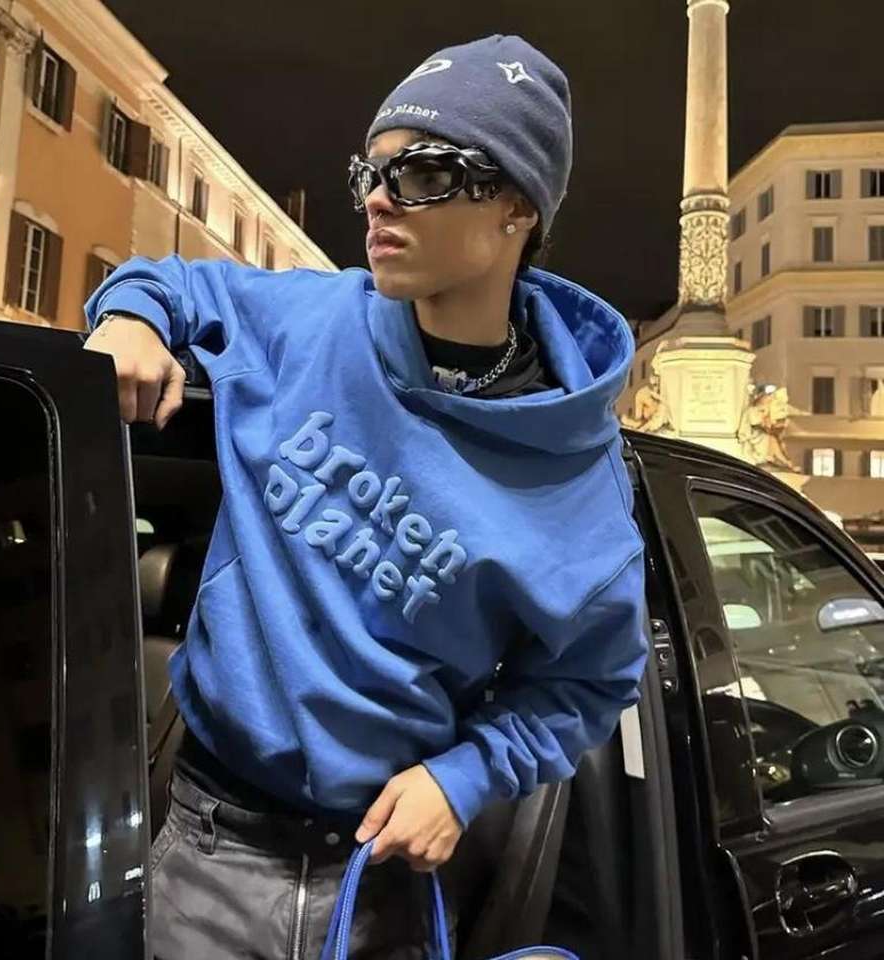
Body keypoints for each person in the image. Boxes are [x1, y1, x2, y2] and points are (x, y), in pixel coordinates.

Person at [83, 34, 649, 960]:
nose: (379, 199)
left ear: (518, 205)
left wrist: (466, 777)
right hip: (209, 841)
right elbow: (168, 281)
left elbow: (589, 680)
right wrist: (129, 319)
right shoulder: (309, 321)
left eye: (423, 173)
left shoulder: (576, 481)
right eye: (372, 173)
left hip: (387, 881)